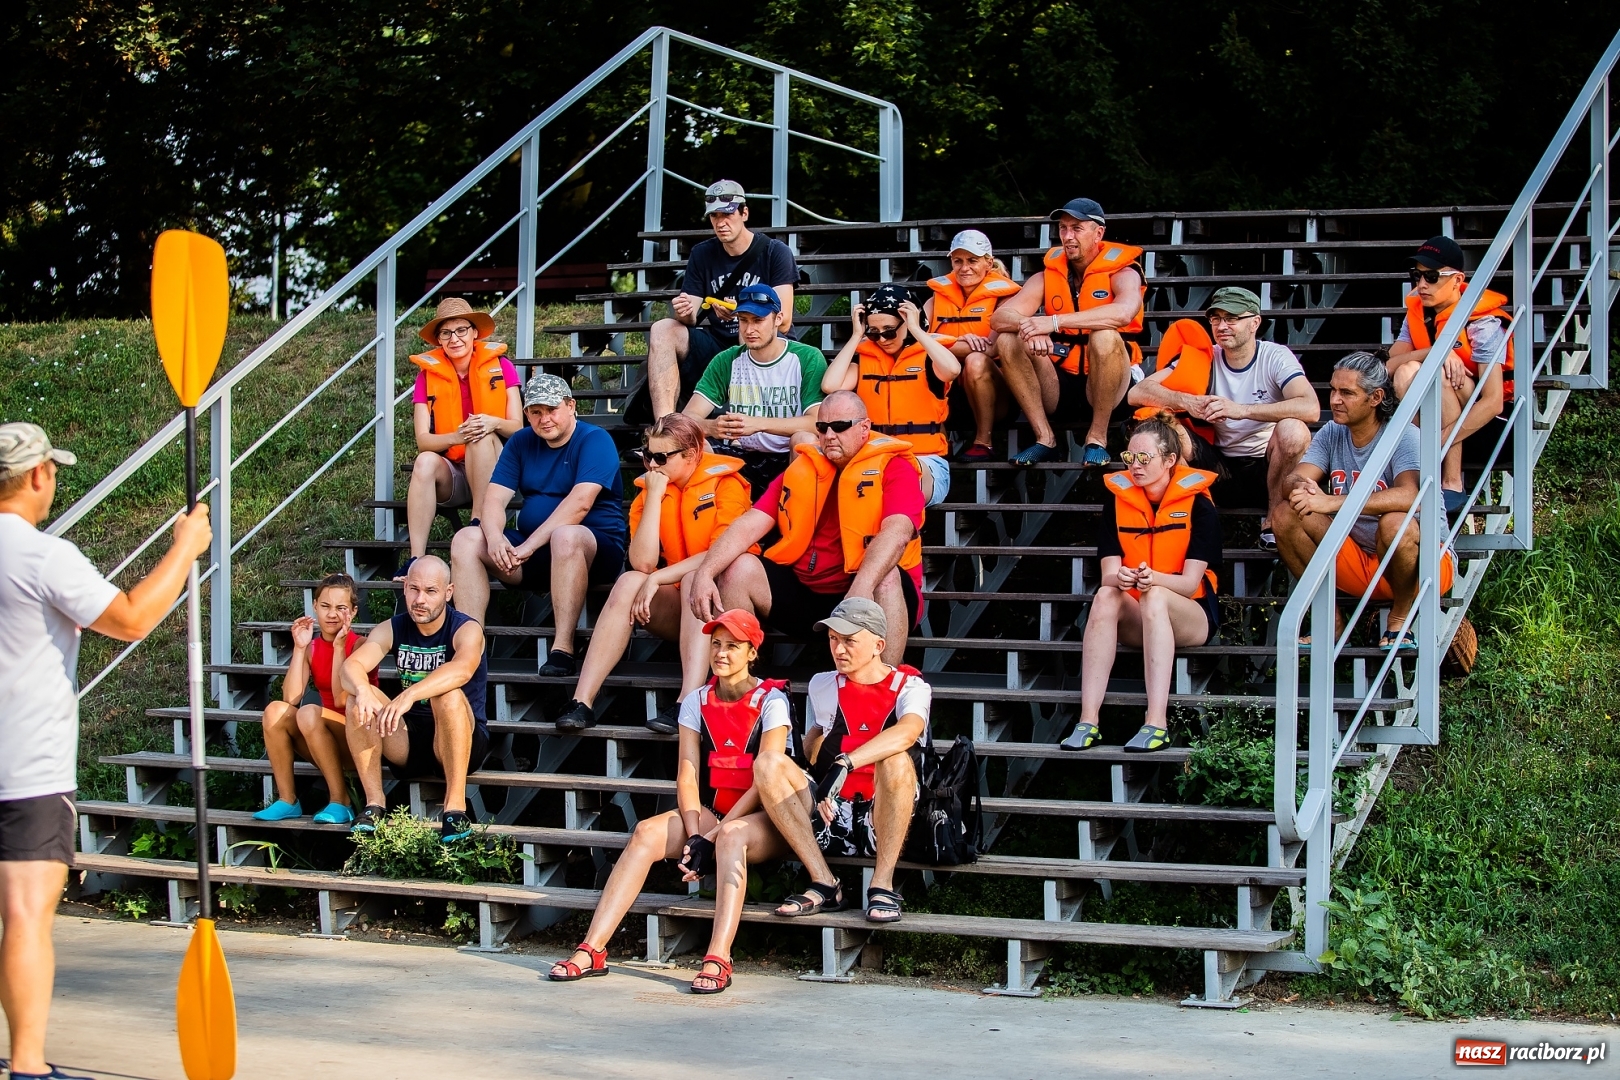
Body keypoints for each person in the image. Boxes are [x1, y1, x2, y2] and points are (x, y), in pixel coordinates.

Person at [0, 422, 212, 1080]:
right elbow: (131, 620)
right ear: (37, 476)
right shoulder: (41, 556)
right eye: (52, 471)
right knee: (25, 915)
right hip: (26, 766)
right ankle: (28, 1066)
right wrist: (185, 548)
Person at [547, 609, 792, 994]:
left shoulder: (772, 699)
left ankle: (719, 956)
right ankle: (592, 949)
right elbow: (688, 772)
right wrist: (695, 835)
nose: (721, 653)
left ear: (752, 653)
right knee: (646, 832)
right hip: (714, 814)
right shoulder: (696, 700)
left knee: (730, 837)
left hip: (764, 819)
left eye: (732, 646)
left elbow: (767, 780)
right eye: (716, 645)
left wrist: (712, 837)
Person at [686, 391, 925, 665]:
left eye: (840, 427)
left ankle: (883, 687)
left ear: (864, 428)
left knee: (887, 575)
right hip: (809, 594)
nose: (830, 435)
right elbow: (751, 522)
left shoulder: (895, 467)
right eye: (822, 428)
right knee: (736, 568)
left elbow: (897, 532)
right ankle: (743, 686)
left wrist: (860, 590)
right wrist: (706, 572)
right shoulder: (804, 467)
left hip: (871, 592)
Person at [552, 414, 754, 735]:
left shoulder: (725, 484)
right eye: (647, 455)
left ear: (691, 455)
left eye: (661, 457)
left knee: (693, 578)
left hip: (721, 599)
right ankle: (582, 701)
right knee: (630, 580)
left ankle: (688, 701)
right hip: (680, 607)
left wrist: (659, 578)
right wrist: (656, 500)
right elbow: (642, 563)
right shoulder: (652, 487)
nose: (651, 465)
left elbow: (722, 552)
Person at [753, 598, 931, 923]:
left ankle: (883, 884)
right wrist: (801, 780)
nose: (839, 648)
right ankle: (823, 881)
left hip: (886, 819)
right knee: (768, 763)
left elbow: (907, 733)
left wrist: (845, 762)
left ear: (879, 644)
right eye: (833, 639)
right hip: (832, 816)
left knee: (896, 760)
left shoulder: (911, 687)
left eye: (849, 640)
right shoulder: (823, 684)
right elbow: (814, 739)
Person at [1271, 352, 1456, 649]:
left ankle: (1399, 620)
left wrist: (1332, 502)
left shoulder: (1405, 435)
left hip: (1423, 566)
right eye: (1333, 390)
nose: (1334, 400)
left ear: (1375, 397)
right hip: (1361, 562)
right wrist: (1300, 485)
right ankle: (1329, 620)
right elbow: (1295, 479)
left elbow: (1412, 497)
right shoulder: (1333, 432)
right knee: (1285, 514)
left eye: (1347, 393)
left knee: (1395, 522)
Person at [1061, 413, 1221, 754]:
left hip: (1190, 616)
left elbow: (1191, 583)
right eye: (1129, 457)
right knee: (1105, 595)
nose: (1135, 465)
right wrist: (1120, 577)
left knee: (1156, 596)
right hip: (1139, 614)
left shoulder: (1200, 505)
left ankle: (1156, 722)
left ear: (1169, 460)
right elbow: (1107, 572)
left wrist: (1153, 580)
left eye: (1144, 458)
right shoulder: (1118, 502)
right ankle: (1088, 720)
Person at [449, 373, 626, 676]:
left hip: (594, 551)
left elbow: (580, 503)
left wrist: (529, 545)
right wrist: (494, 539)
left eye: (552, 409)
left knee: (565, 536)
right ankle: (469, 648)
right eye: (535, 412)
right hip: (533, 554)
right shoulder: (520, 441)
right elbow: (493, 501)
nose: (544, 419)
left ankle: (563, 649)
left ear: (571, 406)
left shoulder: (595, 440)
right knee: (466, 539)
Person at [1127, 288, 1317, 545]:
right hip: (1217, 465)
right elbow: (1137, 392)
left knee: (1294, 430)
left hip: (1267, 467)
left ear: (1255, 323)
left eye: (1232, 318)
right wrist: (1188, 401)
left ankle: (1272, 522)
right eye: (1216, 319)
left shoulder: (1274, 356)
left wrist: (1242, 410)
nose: (1222, 326)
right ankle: (1179, 525)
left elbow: (1311, 408)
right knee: (1162, 426)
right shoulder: (1205, 356)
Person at [341, 556, 490, 842]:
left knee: (445, 694)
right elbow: (351, 668)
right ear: (405, 587)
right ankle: (374, 804)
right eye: (414, 589)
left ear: (448, 593)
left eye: (431, 591)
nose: (420, 599)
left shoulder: (466, 629)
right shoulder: (394, 627)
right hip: (409, 740)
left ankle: (455, 809)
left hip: (462, 737)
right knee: (356, 698)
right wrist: (362, 690)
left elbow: (462, 669)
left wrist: (410, 694)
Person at [988, 198, 1144, 467]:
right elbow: (1001, 317)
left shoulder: (1124, 272)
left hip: (1110, 388)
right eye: (1063, 228)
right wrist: (1029, 328)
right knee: (1007, 339)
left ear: (1099, 233)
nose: (1068, 236)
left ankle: (1097, 438)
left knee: (1104, 335)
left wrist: (1053, 322)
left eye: (1077, 228)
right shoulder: (1048, 276)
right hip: (1059, 384)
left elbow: (1123, 313)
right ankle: (1044, 438)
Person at [646, 180, 799, 418]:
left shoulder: (775, 252)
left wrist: (740, 312)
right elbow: (692, 316)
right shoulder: (702, 253)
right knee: (663, 328)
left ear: (744, 213)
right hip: (718, 348)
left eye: (727, 214)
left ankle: (742, 422)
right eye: (714, 216)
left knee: (746, 326)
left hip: (768, 347)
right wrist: (683, 311)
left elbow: (785, 320)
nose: (720, 222)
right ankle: (666, 427)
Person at [1385, 235, 1514, 515]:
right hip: (1437, 420)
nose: (1421, 285)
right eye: (1416, 276)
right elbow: (1389, 366)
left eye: (1431, 276)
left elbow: (1493, 402)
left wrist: (1436, 441)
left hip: (1489, 428)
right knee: (1410, 369)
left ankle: (1452, 480)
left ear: (1457, 280)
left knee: (1436, 375)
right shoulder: (1417, 312)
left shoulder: (1484, 323)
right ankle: (1422, 469)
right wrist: (1436, 353)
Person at [397, 297, 524, 580]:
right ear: (439, 339)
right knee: (425, 462)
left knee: (479, 435)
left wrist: (492, 423)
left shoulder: (502, 366)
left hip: (496, 470)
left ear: (475, 332)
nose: (454, 338)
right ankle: (415, 558)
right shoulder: (426, 376)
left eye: (461, 330)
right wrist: (456, 435)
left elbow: (517, 427)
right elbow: (423, 440)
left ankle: (477, 525)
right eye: (446, 333)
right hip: (455, 473)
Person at [821, 283, 962, 507]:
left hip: (925, 461)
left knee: (899, 478)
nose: (883, 339)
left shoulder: (928, 356)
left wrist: (917, 330)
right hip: (873, 460)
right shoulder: (865, 358)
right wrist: (857, 336)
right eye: (874, 333)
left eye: (889, 331)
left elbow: (952, 370)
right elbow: (831, 385)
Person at [253, 573, 378, 824]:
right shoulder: (311, 647)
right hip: (323, 737)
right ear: (314, 606)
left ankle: (340, 801)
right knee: (275, 711)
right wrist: (300, 648)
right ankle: (288, 800)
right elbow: (291, 696)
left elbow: (341, 699)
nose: (331, 614)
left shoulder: (361, 645)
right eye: (325, 606)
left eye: (341, 608)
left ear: (352, 612)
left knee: (308, 712)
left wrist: (339, 649)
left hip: (361, 738)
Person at [681, 282, 825, 493]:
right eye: (743, 321)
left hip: (788, 455)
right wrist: (712, 427)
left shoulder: (807, 357)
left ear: (778, 319)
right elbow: (687, 419)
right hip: (743, 453)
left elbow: (817, 423)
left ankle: (798, 518)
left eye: (758, 320)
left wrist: (758, 424)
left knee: (804, 440)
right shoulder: (727, 360)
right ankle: (709, 519)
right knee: (695, 446)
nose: (749, 329)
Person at [926, 229, 1022, 462]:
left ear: (988, 262)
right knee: (920, 360)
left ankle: (984, 442)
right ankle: (937, 438)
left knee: (976, 360)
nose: (964, 268)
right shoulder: (936, 299)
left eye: (972, 260)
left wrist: (936, 342)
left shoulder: (1005, 298)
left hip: (997, 395)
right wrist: (957, 341)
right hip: (952, 392)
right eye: (958, 261)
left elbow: (991, 349)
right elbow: (915, 342)